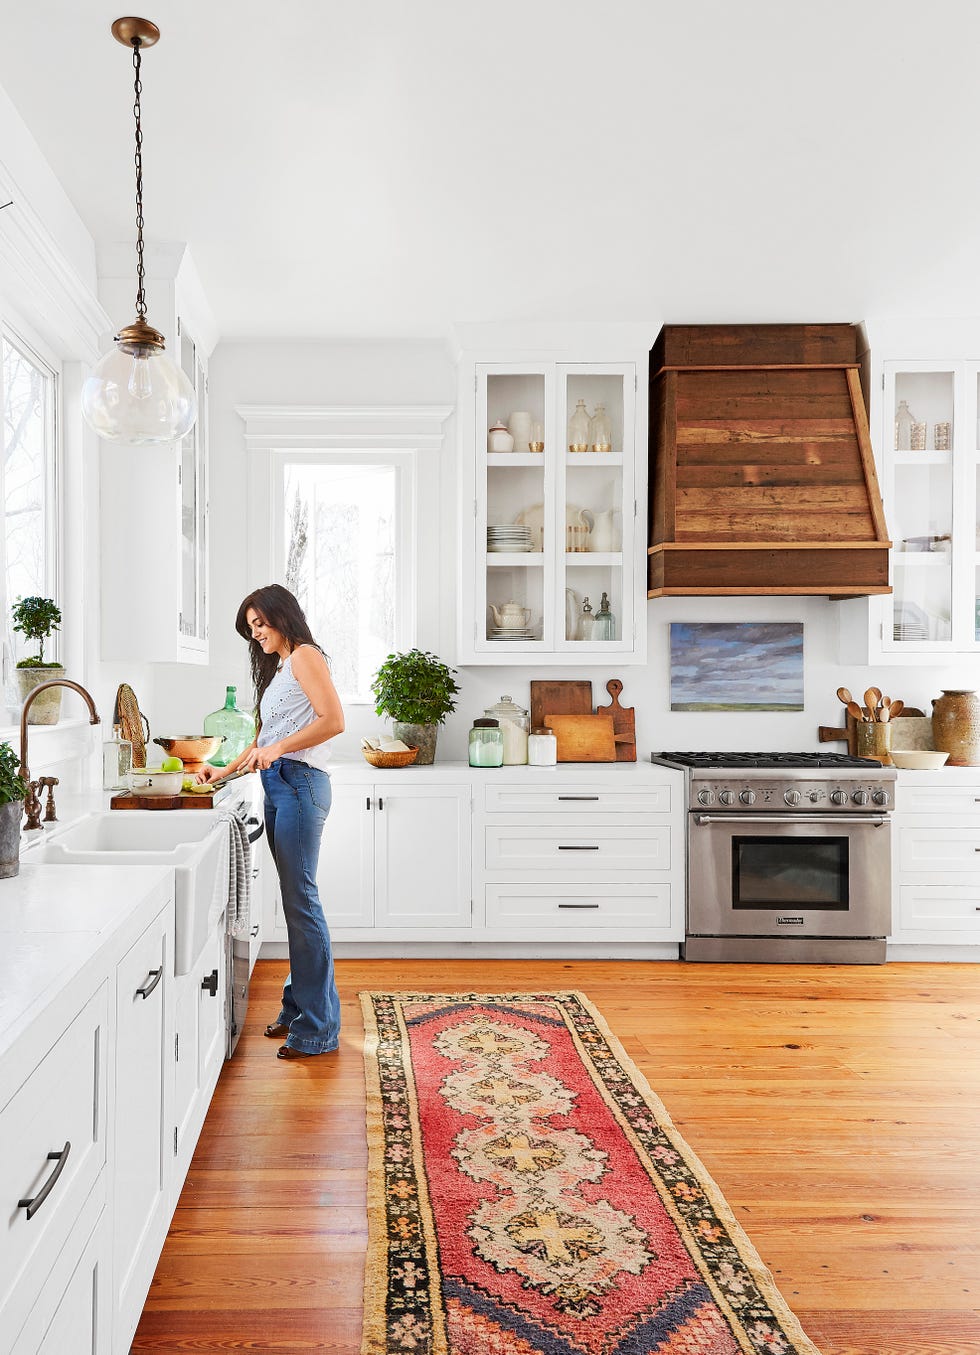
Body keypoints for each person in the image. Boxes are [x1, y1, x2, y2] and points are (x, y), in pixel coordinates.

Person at [197, 584, 345, 1060]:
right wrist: (224, 770)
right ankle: (299, 1008)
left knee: (302, 901)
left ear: (283, 617)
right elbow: (265, 735)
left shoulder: (305, 655)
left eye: (261, 623)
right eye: (250, 627)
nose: (255, 633)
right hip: (280, 784)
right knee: (293, 901)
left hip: (301, 783)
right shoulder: (281, 666)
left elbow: (334, 720)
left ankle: (320, 1028)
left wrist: (278, 751)